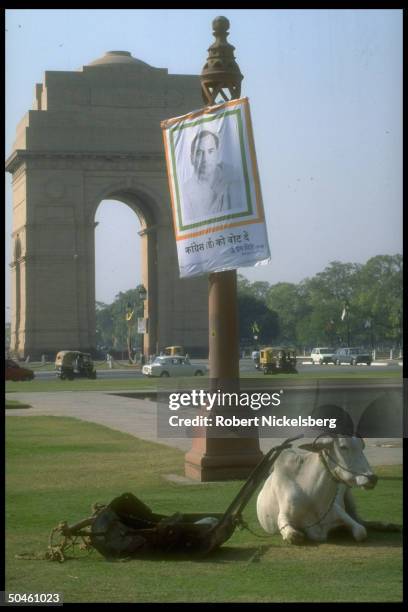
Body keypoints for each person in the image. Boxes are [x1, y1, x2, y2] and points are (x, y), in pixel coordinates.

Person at [182, 130, 245, 224]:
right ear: (192, 158)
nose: (205, 159)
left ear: (218, 154)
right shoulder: (185, 192)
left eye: (210, 151)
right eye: (199, 153)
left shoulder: (236, 178)